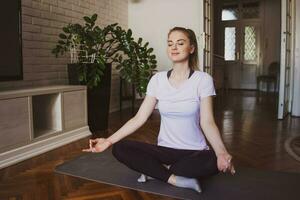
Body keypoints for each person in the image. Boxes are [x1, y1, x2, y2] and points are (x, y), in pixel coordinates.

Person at [83, 27, 235, 193]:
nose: (174, 47)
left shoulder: (203, 80)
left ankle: (154, 171)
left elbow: (207, 122)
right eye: (170, 43)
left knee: (212, 162)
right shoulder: (157, 80)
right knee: (120, 148)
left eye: (180, 43)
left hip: (194, 152)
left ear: (191, 48)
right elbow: (139, 118)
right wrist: (108, 140)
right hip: (164, 150)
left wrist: (221, 152)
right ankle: (174, 179)